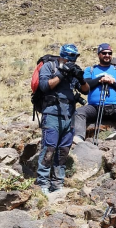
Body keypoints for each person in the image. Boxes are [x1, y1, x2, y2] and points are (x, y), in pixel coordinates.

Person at [35, 44, 90, 194]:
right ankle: (43, 183)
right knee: (49, 148)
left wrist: (80, 78)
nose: (72, 60)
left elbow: (86, 90)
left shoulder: (73, 70)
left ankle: (58, 183)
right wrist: (62, 74)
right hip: (52, 113)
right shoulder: (49, 67)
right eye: (71, 56)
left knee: (64, 150)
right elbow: (44, 86)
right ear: (63, 55)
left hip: (69, 115)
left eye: (75, 57)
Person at [73, 44, 116, 144]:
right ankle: (79, 137)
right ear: (99, 54)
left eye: (109, 53)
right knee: (79, 112)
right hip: (94, 108)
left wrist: (112, 82)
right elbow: (86, 85)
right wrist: (100, 79)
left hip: (115, 108)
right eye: (104, 53)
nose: (107, 55)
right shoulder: (90, 70)